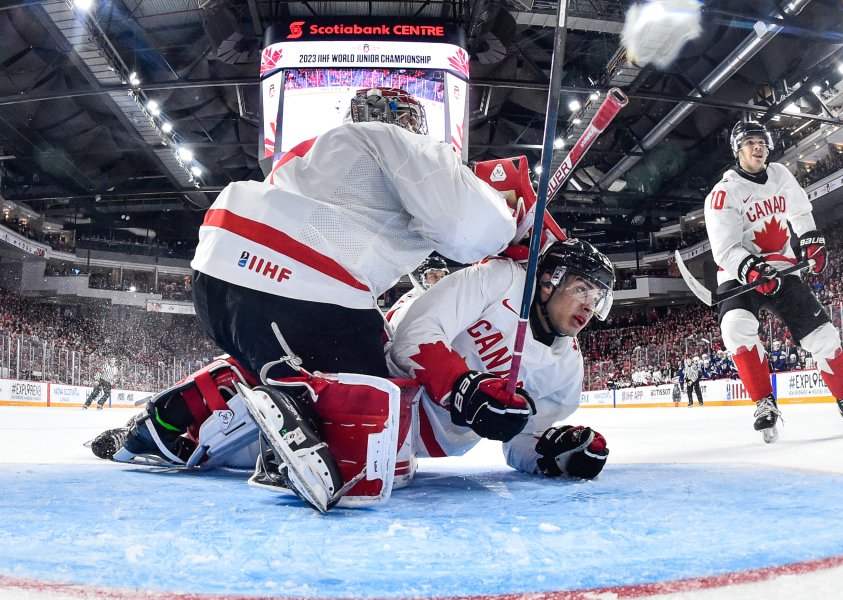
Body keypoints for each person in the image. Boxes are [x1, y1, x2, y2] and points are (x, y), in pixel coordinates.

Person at [100, 87, 517, 498]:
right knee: (379, 432)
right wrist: (510, 223)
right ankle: (295, 401)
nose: (414, 128)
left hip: (219, 282)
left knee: (346, 344)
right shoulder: (395, 142)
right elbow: (471, 230)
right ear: (397, 119)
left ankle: (168, 422)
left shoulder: (315, 155)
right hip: (297, 288)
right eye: (409, 119)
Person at [388, 237, 614, 480]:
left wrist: (552, 456)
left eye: (596, 299)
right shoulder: (502, 279)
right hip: (381, 398)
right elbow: (413, 333)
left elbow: (521, 438)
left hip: (422, 448)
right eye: (582, 290)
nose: (589, 307)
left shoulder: (568, 369)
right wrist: (461, 387)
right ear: (549, 280)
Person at [704, 120, 843, 442]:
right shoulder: (723, 193)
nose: (758, 148)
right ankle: (764, 403)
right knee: (735, 326)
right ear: (738, 149)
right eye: (750, 142)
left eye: (762, 142)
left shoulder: (780, 174)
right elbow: (724, 248)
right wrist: (751, 269)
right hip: (740, 276)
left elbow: (799, 210)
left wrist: (810, 240)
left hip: (782, 267)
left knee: (822, 334)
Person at [385, 255, 449, 324]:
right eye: (433, 276)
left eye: (442, 276)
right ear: (423, 278)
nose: (439, 280)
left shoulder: (448, 297)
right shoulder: (410, 299)